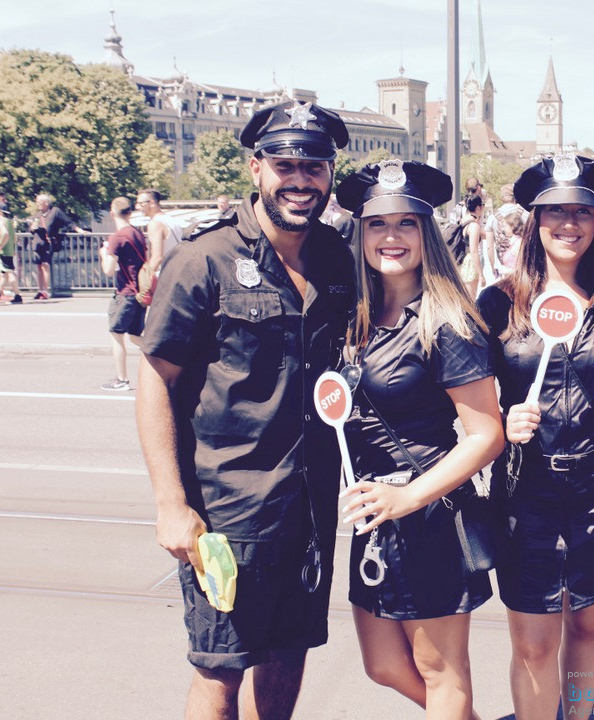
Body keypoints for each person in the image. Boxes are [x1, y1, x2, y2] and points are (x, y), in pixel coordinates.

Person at [135, 100, 354, 719]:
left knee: (288, 653)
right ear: (256, 168)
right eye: (286, 164)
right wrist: (170, 505)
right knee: (220, 669)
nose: (301, 179)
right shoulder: (204, 259)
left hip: (310, 504)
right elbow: (156, 379)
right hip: (227, 509)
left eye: (314, 165)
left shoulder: (338, 258)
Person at [476, 154, 594, 720]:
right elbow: (463, 397)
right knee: (532, 642)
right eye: (554, 211)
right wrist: (503, 421)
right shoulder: (497, 302)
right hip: (524, 490)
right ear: (535, 221)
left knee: (588, 622)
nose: (568, 223)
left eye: (582, 211)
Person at [335, 159, 504, 720]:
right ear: (360, 232)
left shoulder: (447, 320)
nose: (391, 237)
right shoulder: (353, 315)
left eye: (406, 223)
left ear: (426, 233)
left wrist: (408, 497)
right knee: (382, 663)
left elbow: (486, 436)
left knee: (442, 672)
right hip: (374, 514)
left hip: (429, 512)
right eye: (378, 224)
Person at [98, 197, 147, 391]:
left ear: (112, 213)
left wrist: (103, 254)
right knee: (136, 336)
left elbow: (109, 270)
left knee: (116, 335)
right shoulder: (137, 233)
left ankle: (122, 379)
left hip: (125, 292)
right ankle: (165, 360)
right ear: (130, 212)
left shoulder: (117, 237)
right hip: (139, 292)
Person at [29, 193, 91, 300]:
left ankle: (45, 290)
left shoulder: (55, 211)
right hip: (37, 243)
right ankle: (40, 290)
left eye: (39, 202)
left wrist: (79, 230)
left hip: (48, 243)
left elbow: (68, 222)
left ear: (46, 203)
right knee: (39, 267)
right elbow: (31, 229)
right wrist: (32, 228)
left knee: (45, 265)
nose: (37, 204)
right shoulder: (37, 215)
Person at [136, 188, 185, 274]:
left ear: (152, 203)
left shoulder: (155, 224)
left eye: (141, 204)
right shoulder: (170, 220)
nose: (137, 207)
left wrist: (145, 279)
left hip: (167, 275)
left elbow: (157, 257)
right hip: (179, 272)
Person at [0, 201, 22, 304]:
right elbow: (14, 237)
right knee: (4, 273)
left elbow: (5, 234)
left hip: (3, 251)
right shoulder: (9, 221)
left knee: (9, 273)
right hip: (9, 250)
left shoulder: (0, 221)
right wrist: (13, 248)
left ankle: (18, 295)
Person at [459, 194, 485, 297]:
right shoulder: (474, 226)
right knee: (471, 298)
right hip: (470, 263)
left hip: (461, 260)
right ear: (478, 207)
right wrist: (481, 274)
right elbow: (474, 251)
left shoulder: (464, 220)